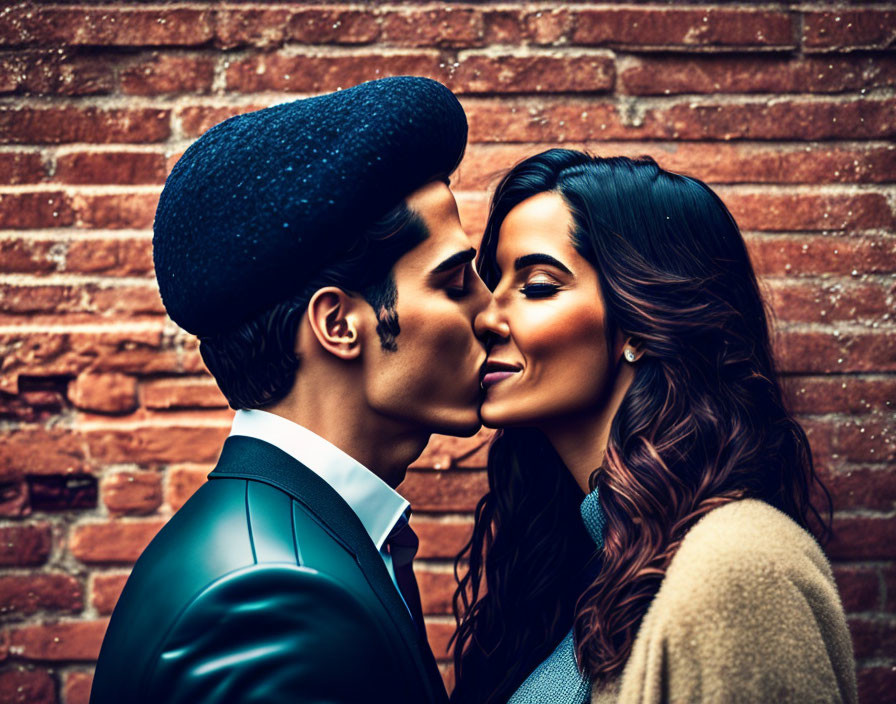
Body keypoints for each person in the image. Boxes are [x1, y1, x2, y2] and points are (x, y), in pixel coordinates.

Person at [90, 76, 491, 704]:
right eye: (456, 281)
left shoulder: (296, 541)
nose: (492, 314)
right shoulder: (275, 600)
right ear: (338, 325)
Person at [450, 149, 857, 704]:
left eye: (538, 285)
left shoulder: (737, 569)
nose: (487, 317)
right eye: (495, 281)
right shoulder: (584, 562)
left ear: (641, 323)